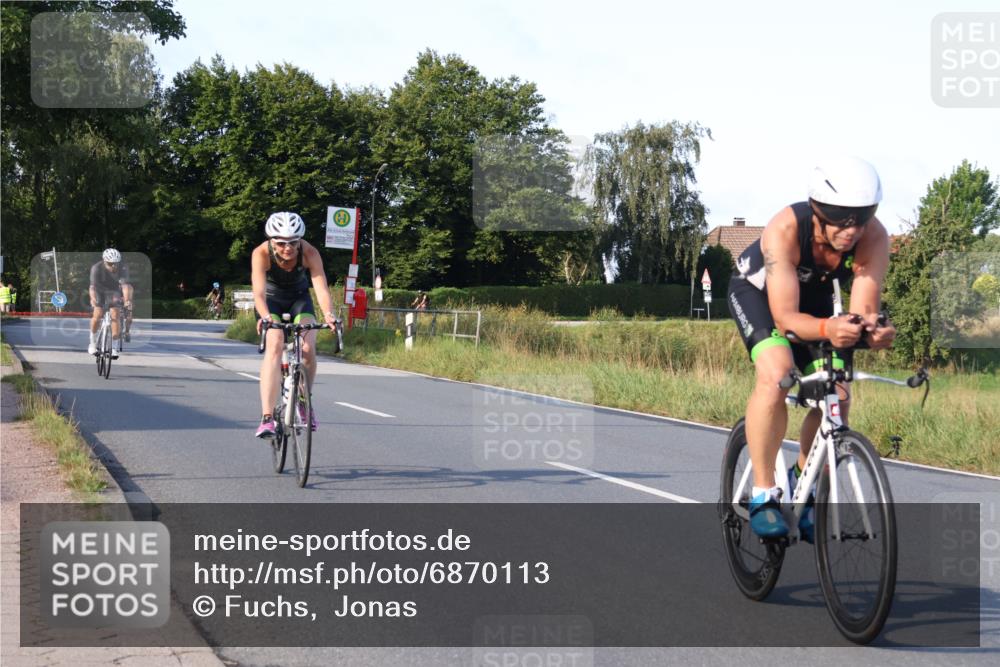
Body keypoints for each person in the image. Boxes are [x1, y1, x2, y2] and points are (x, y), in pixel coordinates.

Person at [727, 156, 896, 540]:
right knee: (777, 375)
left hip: (815, 302)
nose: (851, 230)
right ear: (818, 211)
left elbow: (864, 309)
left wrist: (875, 330)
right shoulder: (785, 228)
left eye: (862, 217)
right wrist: (827, 328)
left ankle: (803, 479)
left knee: (837, 392)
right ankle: (764, 492)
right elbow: (785, 317)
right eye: (840, 217)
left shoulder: (874, 237)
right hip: (760, 296)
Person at [251, 212, 338, 438]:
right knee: (275, 344)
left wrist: (329, 314)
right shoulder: (261, 253)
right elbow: (258, 293)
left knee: (308, 348)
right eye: (281, 243)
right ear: (272, 241)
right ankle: (267, 418)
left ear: (300, 240)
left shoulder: (310, 253)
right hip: (271, 302)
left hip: (300, 299)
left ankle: (303, 401)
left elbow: (321, 288)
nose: (287, 248)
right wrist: (265, 316)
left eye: (293, 243)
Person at [88, 249, 133, 357]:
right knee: (97, 314)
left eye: (115, 263)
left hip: (114, 291)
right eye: (110, 263)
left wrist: (127, 301)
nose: (113, 266)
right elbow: (93, 287)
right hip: (99, 290)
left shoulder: (122, 268)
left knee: (115, 315)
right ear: (104, 261)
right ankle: (92, 344)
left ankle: (113, 348)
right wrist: (94, 300)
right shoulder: (96, 268)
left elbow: (125, 286)